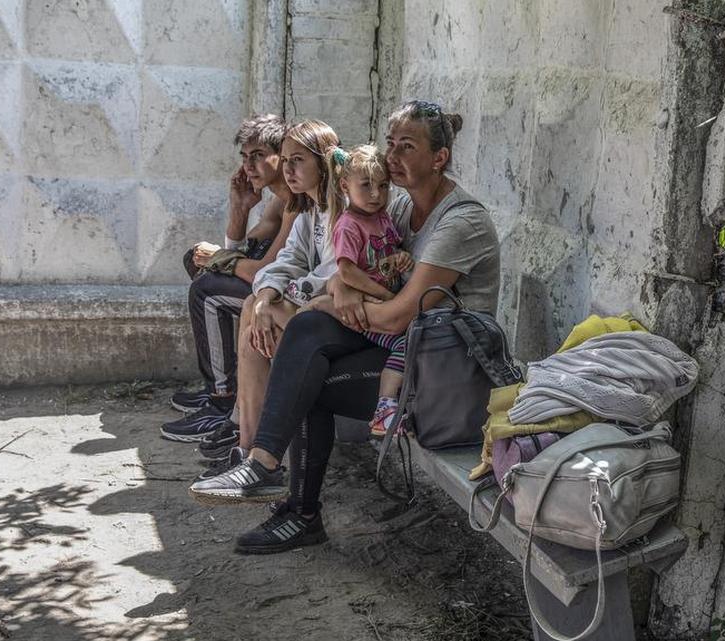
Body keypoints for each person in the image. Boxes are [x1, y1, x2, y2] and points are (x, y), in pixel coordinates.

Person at [190, 100, 501, 555]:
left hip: (444, 376)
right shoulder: (394, 211)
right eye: (390, 144)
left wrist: (333, 301)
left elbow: (399, 313)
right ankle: (268, 472)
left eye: (407, 147)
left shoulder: (461, 221)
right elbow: (346, 278)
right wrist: (330, 296)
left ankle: (288, 498)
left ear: (440, 158)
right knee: (307, 333)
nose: (392, 156)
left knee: (309, 357)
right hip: (402, 349)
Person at [185, 119, 341, 478]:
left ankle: (237, 423)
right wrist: (265, 297)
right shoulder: (308, 209)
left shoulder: (339, 209)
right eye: (285, 160)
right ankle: (246, 450)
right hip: (311, 302)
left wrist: (275, 298)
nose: (288, 169)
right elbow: (286, 261)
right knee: (254, 308)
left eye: (297, 160)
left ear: (324, 162)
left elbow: (335, 273)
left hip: (344, 311)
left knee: (246, 307)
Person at [160, 115, 299, 444]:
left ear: (282, 156)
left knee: (207, 290)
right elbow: (242, 251)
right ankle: (221, 388)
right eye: (244, 157)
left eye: (258, 155)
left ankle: (222, 399)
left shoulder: (296, 203)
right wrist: (240, 207)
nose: (249, 166)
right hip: (267, 288)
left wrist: (220, 259)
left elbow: (264, 269)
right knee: (199, 267)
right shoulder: (275, 201)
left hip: (289, 298)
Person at [314, 144, 414, 436]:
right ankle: (384, 407)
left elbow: (383, 260)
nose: (376, 195)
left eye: (383, 186)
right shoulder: (349, 225)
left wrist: (399, 259)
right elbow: (347, 270)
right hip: (370, 304)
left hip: (383, 300)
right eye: (366, 185)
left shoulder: (382, 218)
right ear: (345, 185)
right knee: (404, 343)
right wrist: (386, 297)